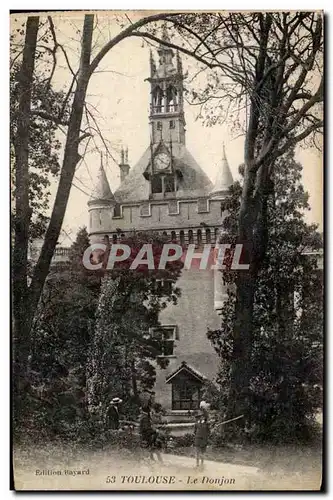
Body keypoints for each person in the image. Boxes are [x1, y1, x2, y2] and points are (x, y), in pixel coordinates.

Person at [194, 402, 210, 469]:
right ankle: (197, 464)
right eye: (199, 417)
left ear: (204, 417)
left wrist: (210, 428)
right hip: (198, 439)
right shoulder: (196, 424)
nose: (200, 418)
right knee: (197, 452)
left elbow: (209, 432)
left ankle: (202, 464)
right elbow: (194, 431)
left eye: (202, 417)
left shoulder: (206, 424)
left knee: (203, 453)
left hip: (204, 439)